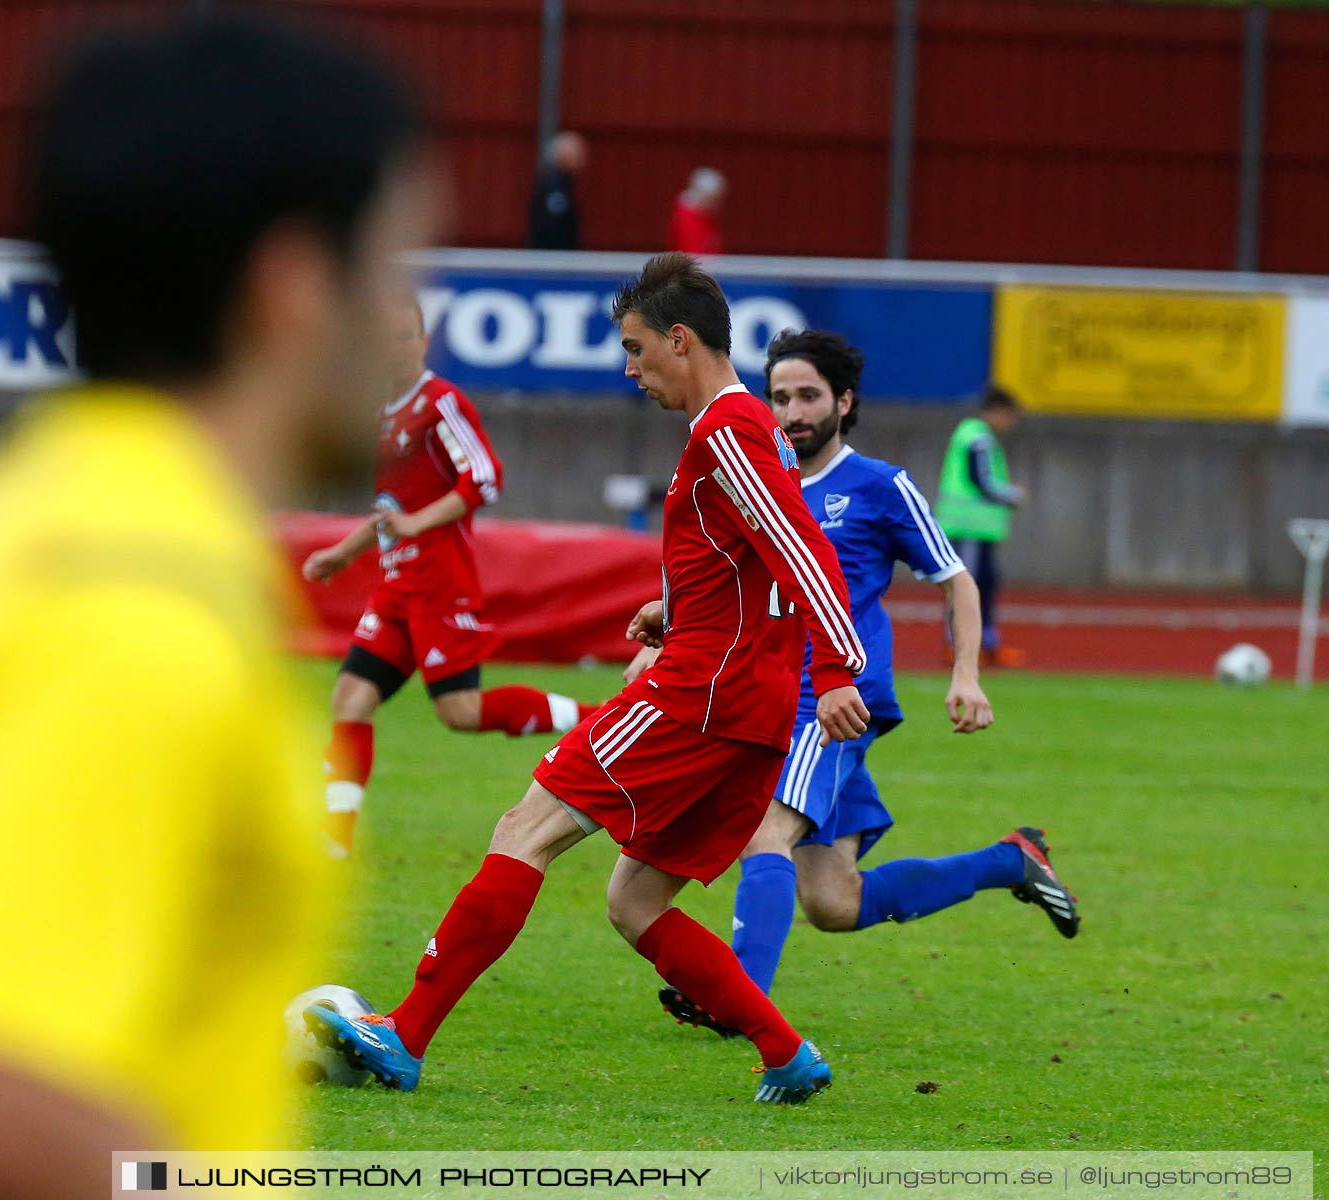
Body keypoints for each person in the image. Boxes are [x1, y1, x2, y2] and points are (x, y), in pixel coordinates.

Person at [0, 15, 429, 1200]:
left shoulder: (2, 523)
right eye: (397, 263)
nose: (407, 313)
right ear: (296, 287)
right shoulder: (136, 611)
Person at [303, 253, 869, 1105]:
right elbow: (746, 556)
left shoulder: (727, 428)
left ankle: (404, 1033)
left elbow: (800, 547)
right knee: (635, 901)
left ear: (682, 340)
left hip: (699, 695)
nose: (631, 370)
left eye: (638, 351)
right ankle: (786, 1054)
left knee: (524, 827)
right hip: (741, 702)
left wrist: (835, 672)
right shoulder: (735, 429)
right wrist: (673, 606)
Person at [634, 331, 1078, 1036]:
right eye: (778, 396)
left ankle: (737, 999)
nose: (792, 411)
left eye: (808, 395)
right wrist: (671, 624)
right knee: (833, 902)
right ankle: (1009, 863)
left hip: (833, 703)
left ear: (844, 401)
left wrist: (966, 673)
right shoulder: (751, 474)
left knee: (762, 834)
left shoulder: (879, 486)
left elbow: (957, 578)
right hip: (761, 692)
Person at [301, 298, 604, 857]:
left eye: (404, 334)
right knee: (350, 697)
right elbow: (395, 508)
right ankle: (335, 835)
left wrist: (414, 523)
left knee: (460, 713)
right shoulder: (383, 412)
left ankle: (598, 721)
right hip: (396, 588)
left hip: (441, 586)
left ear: (422, 340)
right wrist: (344, 552)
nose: (393, 346)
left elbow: (486, 478)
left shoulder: (440, 403)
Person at [936, 386, 1027, 667]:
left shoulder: (975, 435)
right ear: (998, 411)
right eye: (1010, 416)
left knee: (984, 586)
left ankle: (986, 644)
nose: (1011, 423)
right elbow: (982, 482)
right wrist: (1012, 496)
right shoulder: (977, 438)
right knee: (967, 587)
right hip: (968, 528)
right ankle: (957, 645)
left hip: (978, 529)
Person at [527, 130, 586, 250]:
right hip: (552, 260)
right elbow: (552, 227)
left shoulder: (561, 183)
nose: (583, 161)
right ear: (566, 156)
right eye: (579, 155)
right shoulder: (555, 187)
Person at [669, 166, 726, 256]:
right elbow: (693, 254)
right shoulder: (687, 219)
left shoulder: (704, 216)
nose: (716, 204)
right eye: (713, 199)